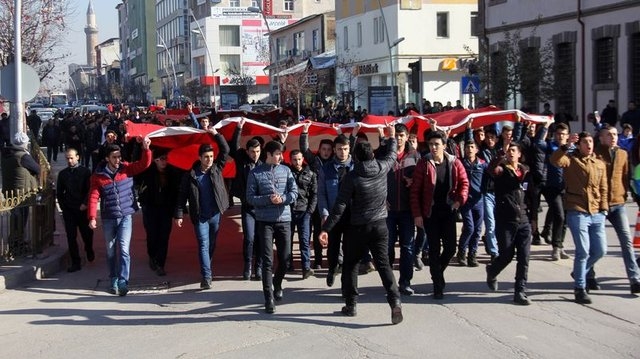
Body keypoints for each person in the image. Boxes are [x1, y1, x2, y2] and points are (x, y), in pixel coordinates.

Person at [319, 123, 403, 325]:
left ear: (355, 157)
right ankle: (395, 303)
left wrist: (325, 229)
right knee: (384, 265)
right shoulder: (382, 167)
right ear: (372, 155)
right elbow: (392, 154)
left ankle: (351, 304)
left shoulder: (352, 177)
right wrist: (391, 136)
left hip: (358, 227)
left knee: (351, 265)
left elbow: (339, 205)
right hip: (380, 224)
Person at [88, 137, 152, 296]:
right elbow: (93, 196)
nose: (118, 160)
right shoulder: (98, 176)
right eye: (114, 157)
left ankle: (123, 280)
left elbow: (144, 164)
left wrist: (146, 149)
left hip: (125, 216)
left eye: (119, 156)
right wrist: (92, 217)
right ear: (107, 159)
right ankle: (113, 278)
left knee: (124, 249)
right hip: (109, 217)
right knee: (110, 251)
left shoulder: (126, 169)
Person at [550, 132, 608, 304]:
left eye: (590, 141)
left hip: (596, 212)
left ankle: (579, 272)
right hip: (577, 210)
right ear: (579, 145)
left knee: (600, 250)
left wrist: (604, 209)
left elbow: (604, 188)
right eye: (585, 142)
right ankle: (580, 288)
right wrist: (566, 145)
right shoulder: (570, 160)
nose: (588, 144)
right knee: (583, 251)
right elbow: (555, 160)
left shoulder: (599, 163)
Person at [410, 130, 469, 299]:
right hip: (430, 213)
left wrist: (459, 200)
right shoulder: (424, 163)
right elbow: (415, 191)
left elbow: (464, 183)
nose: (434, 147)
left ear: (444, 145)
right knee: (434, 249)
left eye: (437, 144)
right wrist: (417, 215)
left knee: (450, 248)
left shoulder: (454, 162)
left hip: (449, 211)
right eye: (431, 144)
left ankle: (437, 273)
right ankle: (437, 285)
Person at [246, 140, 298, 314]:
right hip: (265, 221)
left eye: (281, 154)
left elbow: (294, 192)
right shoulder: (255, 173)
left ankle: (277, 283)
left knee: (285, 258)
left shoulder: (286, 170)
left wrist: (283, 199)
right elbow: (250, 198)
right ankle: (268, 297)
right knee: (267, 260)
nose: (280, 157)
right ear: (268, 154)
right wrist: (268, 199)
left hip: (284, 219)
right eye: (277, 154)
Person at [175, 129, 230, 289]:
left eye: (212, 156)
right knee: (203, 245)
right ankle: (206, 276)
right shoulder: (190, 175)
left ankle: (207, 265)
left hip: (215, 214)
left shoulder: (217, 169)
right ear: (199, 158)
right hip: (200, 216)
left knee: (211, 244)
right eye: (206, 157)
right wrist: (179, 213)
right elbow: (182, 195)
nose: (210, 159)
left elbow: (225, 149)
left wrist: (216, 134)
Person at [593, 125, 640, 295]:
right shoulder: (595, 153)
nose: (613, 137)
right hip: (598, 205)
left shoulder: (622, 153)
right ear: (601, 137)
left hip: (618, 203)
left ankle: (634, 279)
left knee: (626, 242)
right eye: (609, 135)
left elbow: (626, 176)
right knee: (595, 245)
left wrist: (630, 194)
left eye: (614, 134)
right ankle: (588, 275)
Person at [485, 143, 533, 305]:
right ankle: (492, 270)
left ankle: (520, 291)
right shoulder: (501, 170)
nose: (511, 153)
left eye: (514, 150)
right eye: (509, 151)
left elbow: (532, 194)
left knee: (524, 257)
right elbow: (491, 170)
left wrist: (533, 218)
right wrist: (499, 156)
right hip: (506, 220)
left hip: (523, 219)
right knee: (506, 255)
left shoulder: (525, 171)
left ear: (519, 153)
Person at [385, 123, 421, 295]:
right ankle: (389, 281)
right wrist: (382, 199)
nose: (399, 138)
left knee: (407, 247)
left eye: (402, 135)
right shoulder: (385, 155)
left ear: (407, 137)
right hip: (388, 210)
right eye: (396, 135)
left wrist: (413, 182)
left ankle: (405, 281)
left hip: (408, 210)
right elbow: (377, 179)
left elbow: (423, 180)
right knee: (388, 246)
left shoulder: (415, 156)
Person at [138, 149, 182, 276]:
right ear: (155, 160)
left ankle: (160, 263)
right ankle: (152, 256)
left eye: (165, 158)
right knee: (152, 235)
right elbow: (137, 164)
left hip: (165, 209)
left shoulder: (172, 172)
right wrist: (141, 147)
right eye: (161, 159)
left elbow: (177, 191)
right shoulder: (148, 171)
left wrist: (176, 209)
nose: (164, 161)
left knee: (164, 236)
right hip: (150, 208)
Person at [318, 134, 354, 287]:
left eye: (345, 149)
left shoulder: (356, 167)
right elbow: (321, 193)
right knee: (332, 247)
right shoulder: (326, 169)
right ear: (334, 150)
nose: (342, 152)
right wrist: (324, 214)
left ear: (349, 149)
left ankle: (346, 282)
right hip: (332, 215)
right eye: (339, 149)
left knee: (349, 248)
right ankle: (332, 269)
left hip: (351, 215)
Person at [230, 119, 264, 280]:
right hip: (248, 207)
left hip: (263, 208)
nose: (255, 154)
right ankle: (247, 265)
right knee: (249, 238)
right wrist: (239, 127)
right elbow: (234, 146)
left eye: (257, 151)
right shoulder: (242, 162)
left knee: (260, 238)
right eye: (252, 151)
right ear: (248, 151)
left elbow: (279, 150)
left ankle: (258, 267)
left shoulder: (265, 164)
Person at [300, 122, 335, 269]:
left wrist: (339, 133)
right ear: (319, 150)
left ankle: (333, 259)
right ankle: (318, 260)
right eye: (323, 149)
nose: (326, 152)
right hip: (316, 201)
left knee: (333, 232)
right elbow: (304, 149)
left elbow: (348, 149)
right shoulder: (315, 161)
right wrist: (305, 131)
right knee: (316, 231)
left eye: (328, 150)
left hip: (331, 201)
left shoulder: (335, 162)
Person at [1, 132, 40, 256]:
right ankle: (17, 244)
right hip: (22, 192)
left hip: (9, 190)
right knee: (21, 218)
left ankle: (15, 241)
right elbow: (37, 169)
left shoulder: (6, 154)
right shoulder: (22, 156)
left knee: (15, 217)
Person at [57, 148, 94, 272]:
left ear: (77, 157)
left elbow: (90, 190)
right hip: (69, 210)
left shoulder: (85, 172)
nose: (69, 160)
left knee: (87, 234)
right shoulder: (63, 174)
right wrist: (63, 207)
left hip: (82, 209)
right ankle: (75, 262)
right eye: (67, 158)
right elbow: (59, 192)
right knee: (71, 237)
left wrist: (85, 203)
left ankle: (89, 248)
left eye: (72, 157)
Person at [538, 122, 571, 260]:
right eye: (558, 134)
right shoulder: (550, 146)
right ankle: (556, 248)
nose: (560, 136)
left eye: (563, 134)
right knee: (559, 216)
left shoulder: (572, 149)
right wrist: (545, 126)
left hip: (567, 189)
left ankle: (560, 245)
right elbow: (539, 143)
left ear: (567, 136)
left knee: (565, 219)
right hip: (552, 187)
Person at [457, 140, 487, 267]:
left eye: (472, 147)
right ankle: (462, 252)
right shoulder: (462, 163)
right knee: (469, 227)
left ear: (477, 150)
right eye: (467, 147)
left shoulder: (482, 164)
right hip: (466, 201)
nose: (469, 149)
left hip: (479, 201)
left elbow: (491, 173)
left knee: (477, 230)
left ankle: (472, 254)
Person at [288, 149, 317, 279]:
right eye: (294, 159)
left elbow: (314, 194)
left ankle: (306, 267)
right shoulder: (287, 172)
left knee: (304, 240)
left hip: (304, 211)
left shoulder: (310, 174)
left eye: (299, 159)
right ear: (290, 160)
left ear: (303, 159)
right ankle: (288, 263)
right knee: (286, 239)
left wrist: (310, 211)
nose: (297, 162)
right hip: (288, 211)